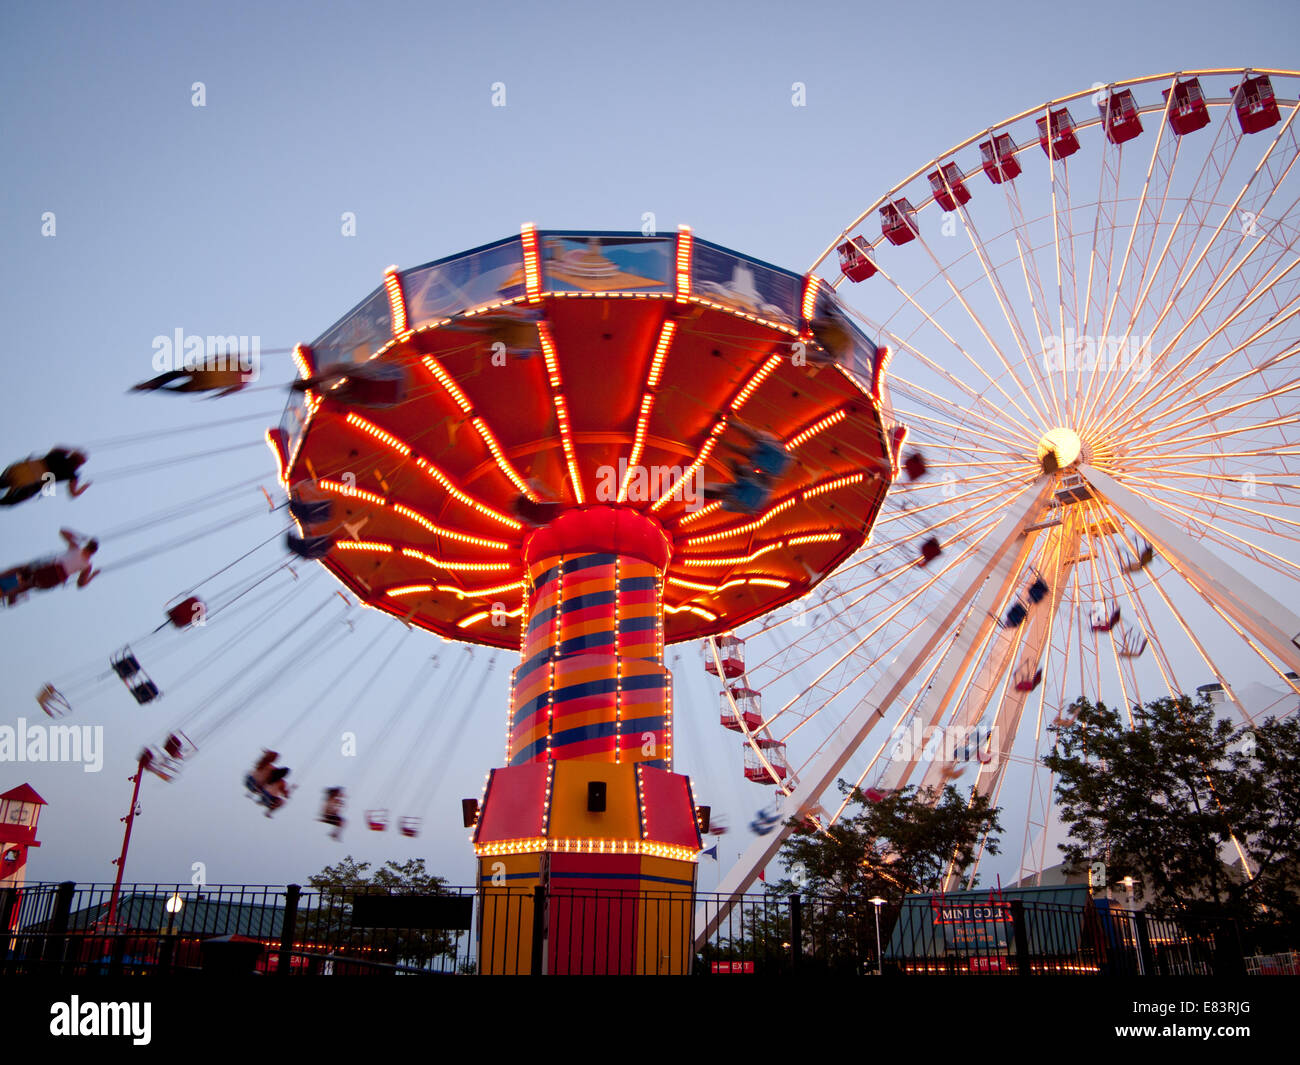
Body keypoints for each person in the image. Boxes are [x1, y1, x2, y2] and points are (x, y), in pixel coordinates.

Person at [0, 447, 90, 506]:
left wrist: (73, 450)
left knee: (6, 487)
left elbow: (59, 447)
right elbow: (74, 494)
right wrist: (85, 486)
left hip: (25, 470)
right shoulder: (71, 474)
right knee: (10, 500)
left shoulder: (60, 456)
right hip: (32, 481)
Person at [27, 529, 98, 590]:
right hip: (58, 577)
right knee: (29, 584)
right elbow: (81, 584)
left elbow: (62, 531)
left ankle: (19, 584)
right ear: (93, 552)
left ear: (86, 545)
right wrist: (93, 576)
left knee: (25, 571)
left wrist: (81, 537)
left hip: (52, 568)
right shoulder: (87, 565)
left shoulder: (76, 548)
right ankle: (17, 590)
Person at [131, 367, 249, 396]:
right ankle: (152, 386)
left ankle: (151, 385)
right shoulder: (243, 383)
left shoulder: (236, 365)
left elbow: (221, 357)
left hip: (201, 374)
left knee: (175, 375)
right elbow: (228, 392)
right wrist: (217, 395)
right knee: (178, 388)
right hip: (204, 381)